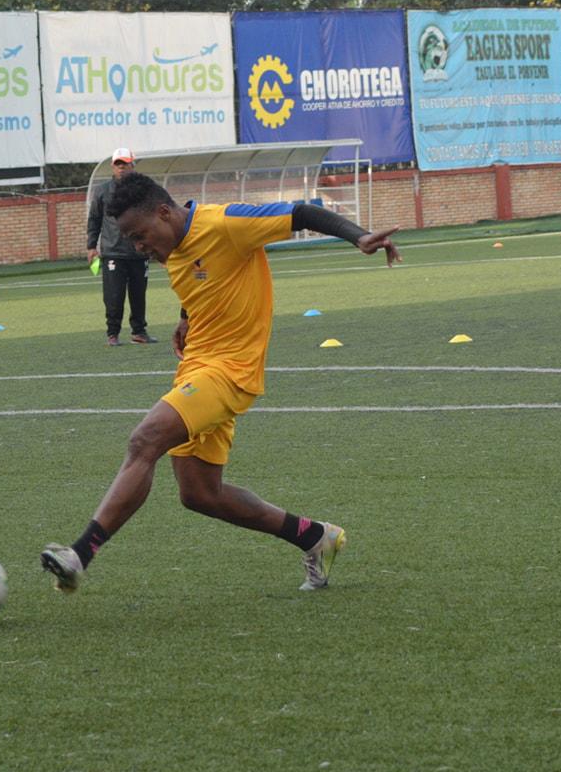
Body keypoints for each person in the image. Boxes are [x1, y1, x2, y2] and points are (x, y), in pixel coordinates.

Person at [41, 172, 401, 593]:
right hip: (197, 367)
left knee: (145, 440)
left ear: (164, 212)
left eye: (140, 235)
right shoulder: (171, 247)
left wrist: (358, 237)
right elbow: (203, 276)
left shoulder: (227, 223)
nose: (139, 247)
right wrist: (186, 317)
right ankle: (315, 537)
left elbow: (301, 213)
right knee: (199, 494)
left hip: (231, 371)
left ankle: (80, 554)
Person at [86, 147, 157, 346]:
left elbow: (151, 218)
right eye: (118, 164)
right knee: (114, 296)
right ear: (112, 166)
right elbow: (94, 219)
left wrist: (153, 245)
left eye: (125, 164)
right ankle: (113, 333)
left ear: (132, 165)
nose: (121, 168)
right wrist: (91, 246)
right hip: (113, 252)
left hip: (139, 251)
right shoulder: (102, 191)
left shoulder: (142, 190)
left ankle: (139, 332)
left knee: (138, 295)